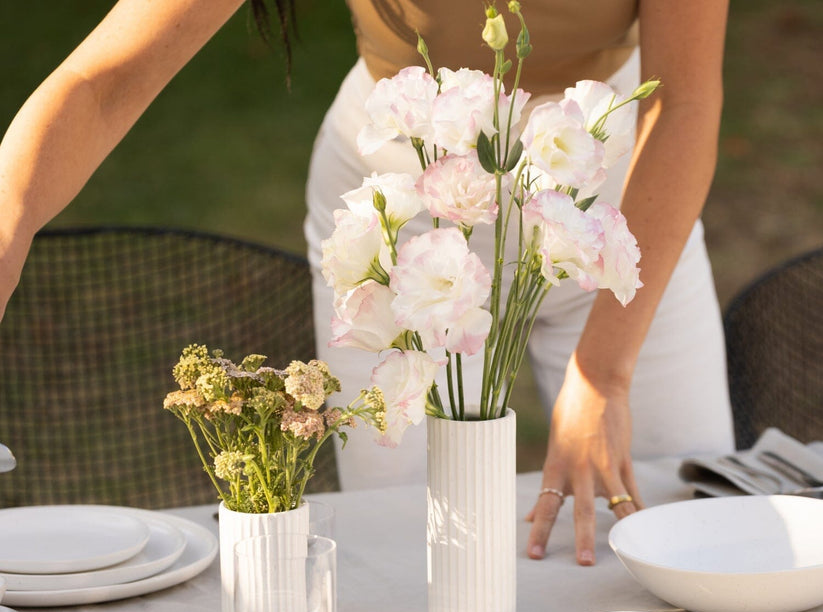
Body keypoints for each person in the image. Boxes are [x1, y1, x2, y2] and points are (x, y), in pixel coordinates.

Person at [0, 0, 734, 566]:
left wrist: (603, 370)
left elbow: (686, 101)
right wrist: (7, 223)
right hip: (400, 211)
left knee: (685, 526)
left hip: (611, 199)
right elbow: (102, 80)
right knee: (410, 552)